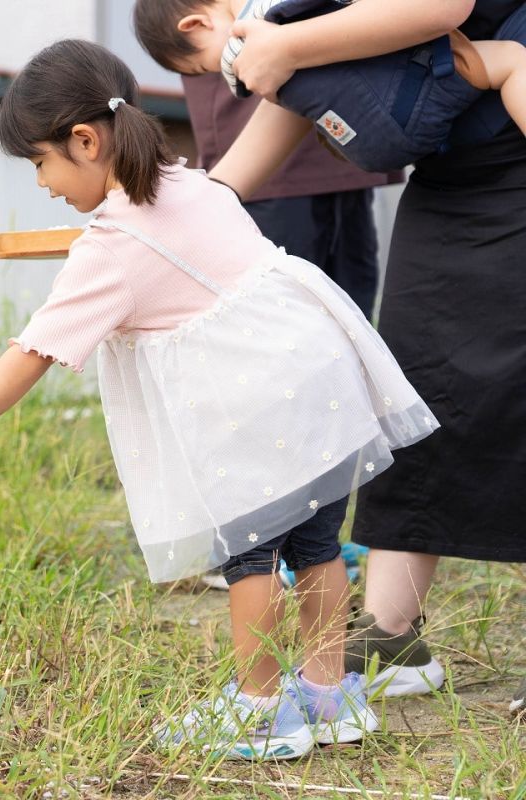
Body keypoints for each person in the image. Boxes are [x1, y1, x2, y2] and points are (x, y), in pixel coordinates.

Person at [0, 39, 439, 758]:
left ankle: (259, 710)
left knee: (251, 555)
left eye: (40, 162)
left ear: (84, 140)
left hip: (256, 403)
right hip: (318, 382)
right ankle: (328, 698)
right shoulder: (195, 185)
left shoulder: (111, 246)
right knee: (317, 544)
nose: (43, 183)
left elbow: (34, 350)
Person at [197, 0, 526, 711]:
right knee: (417, 382)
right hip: (450, 175)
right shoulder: (303, 20)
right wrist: (204, 204)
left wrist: (289, 48)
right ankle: (392, 634)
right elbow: (323, 78)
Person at [179, 71, 398, 590]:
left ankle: (317, 533)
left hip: (347, 162)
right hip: (263, 176)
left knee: (340, 355)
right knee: (261, 368)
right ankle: (250, 543)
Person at [133, 0, 526, 172]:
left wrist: (286, 49)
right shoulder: (275, 20)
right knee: (509, 60)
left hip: (388, 132)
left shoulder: (263, 34)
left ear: (197, 24)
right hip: (420, 94)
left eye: (207, 63)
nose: (225, 71)